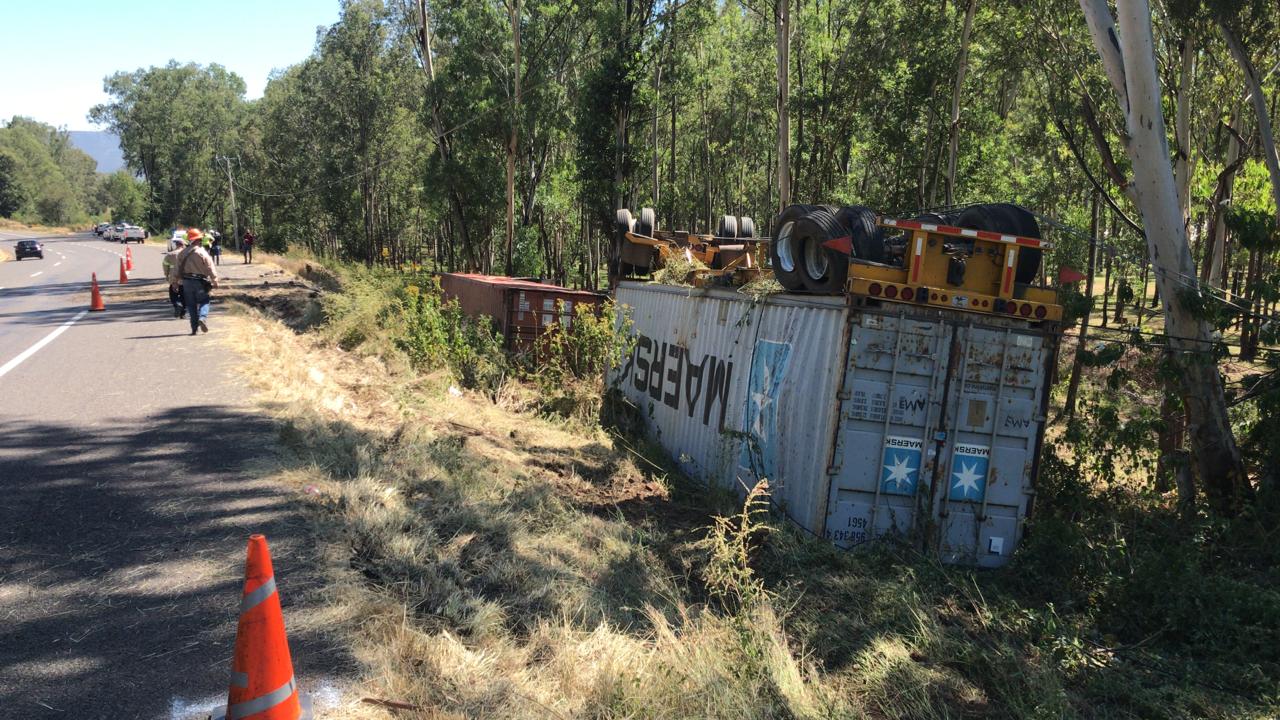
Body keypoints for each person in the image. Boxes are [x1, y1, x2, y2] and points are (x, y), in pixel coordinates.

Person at [169, 228, 220, 335]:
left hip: (186, 282)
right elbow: (210, 267)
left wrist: (174, 282)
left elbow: (176, 269)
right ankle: (202, 317)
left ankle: (194, 329)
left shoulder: (182, 253)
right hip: (200, 282)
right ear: (199, 240)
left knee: (191, 305)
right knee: (204, 301)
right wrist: (214, 280)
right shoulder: (202, 252)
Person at [162, 236, 188, 318]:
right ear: (183, 245)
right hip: (185, 278)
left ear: (176, 245)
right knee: (184, 296)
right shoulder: (187, 254)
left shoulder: (170, 254)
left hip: (173, 277)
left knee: (173, 294)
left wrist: (166, 275)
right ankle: (183, 313)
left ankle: (176, 304)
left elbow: (165, 266)